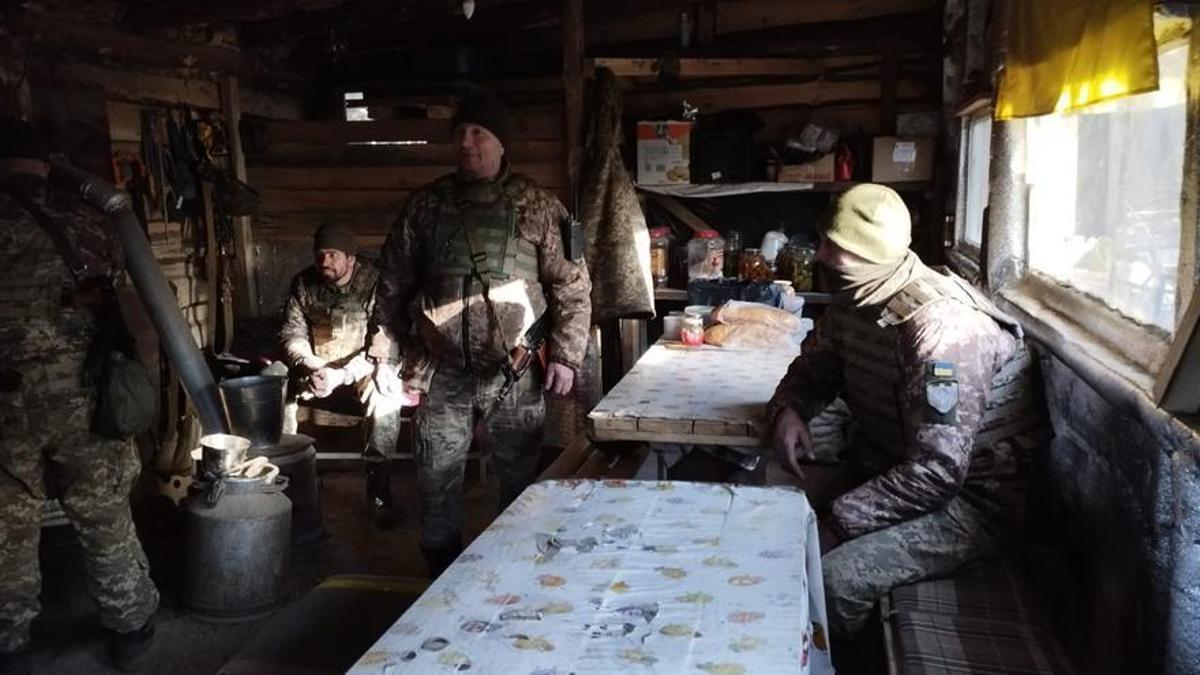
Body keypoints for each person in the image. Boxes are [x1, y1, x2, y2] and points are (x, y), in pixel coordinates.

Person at [767, 184, 1043, 644]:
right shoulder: (858, 297)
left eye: (835, 248)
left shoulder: (943, 332)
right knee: (772, 511)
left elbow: (937, 473)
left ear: (872, 257)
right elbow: (814, 368)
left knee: (832, 580)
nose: (818, 255)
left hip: (971, 505)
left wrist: (839, 522)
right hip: (890, 470)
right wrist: (789, 410)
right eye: (823, 240)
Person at [368, 94, 592, 575]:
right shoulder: (425, 207)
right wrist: (383, 357)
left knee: (518, 481)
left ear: (500, 143)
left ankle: (511, 574)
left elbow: (571, 285)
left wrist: (567, 357)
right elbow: (390, 285)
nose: (467, 143)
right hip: (440, 371)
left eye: (479, 133)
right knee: (435, 478)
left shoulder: (536, 206)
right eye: (460, 133)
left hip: (512, 372)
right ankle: (439, 577)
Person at [0, 118, 159, 673]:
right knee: (103, 516)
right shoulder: (87, 222)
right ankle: (129, 628)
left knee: (7, 529)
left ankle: (10, 641)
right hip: (85, 401)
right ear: (46, 163)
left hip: (7, 410)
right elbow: (115, 289)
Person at [279, 223, 407, 529]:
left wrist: (344, 375)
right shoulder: (304, 284)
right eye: (320, 254)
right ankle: (292, 489)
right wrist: (311, 365)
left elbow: (384, 343)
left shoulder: (376, 283)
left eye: (333, 255)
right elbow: (291, 334)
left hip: (363, 367)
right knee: (278, 395)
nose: (325, 262)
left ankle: (379, 494)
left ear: (351, 259)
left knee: (385, 400)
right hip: (317, 369)